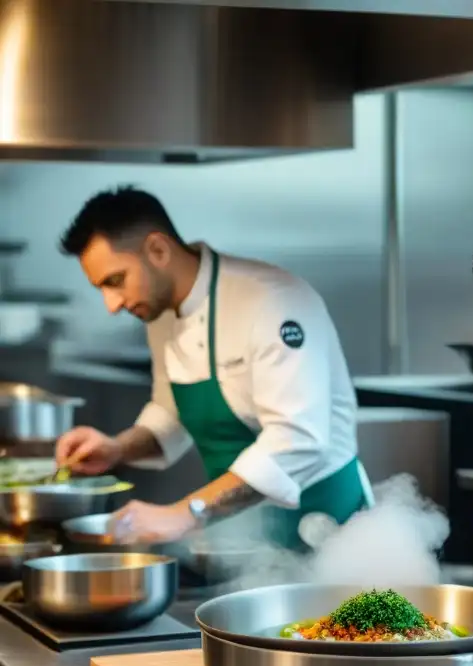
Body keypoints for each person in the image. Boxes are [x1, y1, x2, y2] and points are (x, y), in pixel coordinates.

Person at [55, 186, 371, 550]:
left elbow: (298, 439)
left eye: (116, 281)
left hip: (326, 529)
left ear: (157, 250)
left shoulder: (272, 300)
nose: (112, 304)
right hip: (246, 535)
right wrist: (117, 448)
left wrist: (184, 513)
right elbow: (170, 413)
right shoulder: (159, 313)